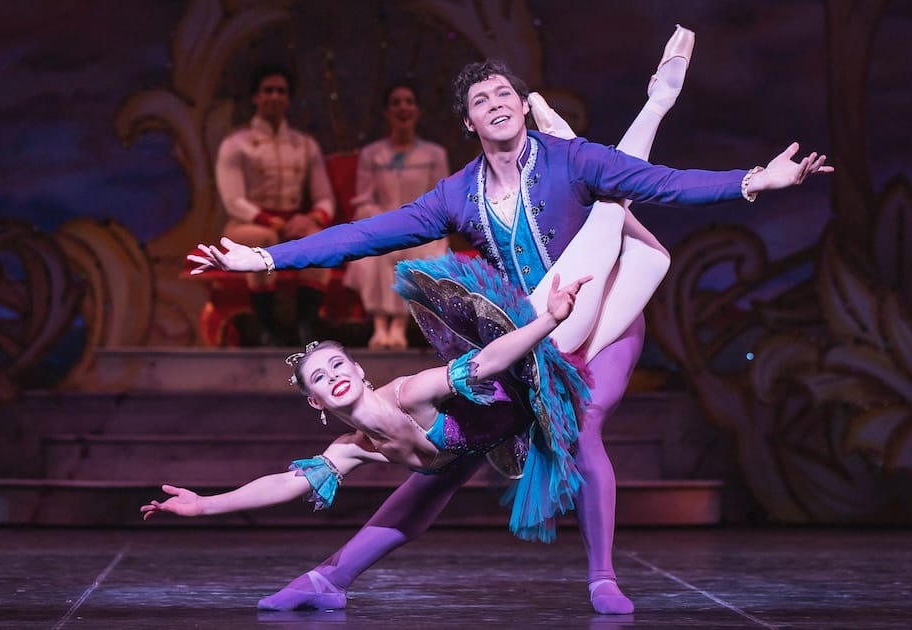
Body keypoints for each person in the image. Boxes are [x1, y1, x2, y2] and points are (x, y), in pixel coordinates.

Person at [190, 27, 832, 615]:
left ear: (523, 106)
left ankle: (602, 577)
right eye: (481, 99)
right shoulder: (456, 195)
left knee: (582, 420)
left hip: (605, 315)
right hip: (526, 334)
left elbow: (662, 182)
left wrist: (756, 181)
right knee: (444, 461)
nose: (495, 102)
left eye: (505, 93)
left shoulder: (571, 161)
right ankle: (330, 578)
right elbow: (366, 234)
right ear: (468, 122)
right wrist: (266, 258)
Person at [142, 268, 595, 609]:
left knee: (622, 249)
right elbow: (285, 483)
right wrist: (205, 505)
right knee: (412, 512)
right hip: (485, 441)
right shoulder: (352, 446)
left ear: (359, 370)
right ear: (316, 401)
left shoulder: (411, 393)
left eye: (338, 365)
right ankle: (326, 583)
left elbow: (488, 363)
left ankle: (603, 577)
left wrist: (550, 319)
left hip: (538, 374)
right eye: (320, 378)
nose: (333, 376)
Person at [215, 64, 337, 345]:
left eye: (281, 91)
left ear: (288, 98)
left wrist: (312, 219)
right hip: (246, 225)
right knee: (265, 239)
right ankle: (266, 327)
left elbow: (325, 198)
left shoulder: (305, 145)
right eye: (268, 91)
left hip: (293, 225)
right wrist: (271, 222)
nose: (274, 97)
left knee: (320, 241)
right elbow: (233, 201)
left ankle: (307, 326)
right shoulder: (236, 144)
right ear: (255, 97)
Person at [343, 83, 450, 349]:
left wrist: (415, 223)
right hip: (382, 224)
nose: (403, 107)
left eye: (409, 102)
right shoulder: (372, 154)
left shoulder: (434, 154)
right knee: (379, 251)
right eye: (396, 102)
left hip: (422, 226)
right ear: (387, 112)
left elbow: (442, 198)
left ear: (418, 110)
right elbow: (364, 198)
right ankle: (380, 325)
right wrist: (385, 222)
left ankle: (400, 325)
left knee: (419, 250)